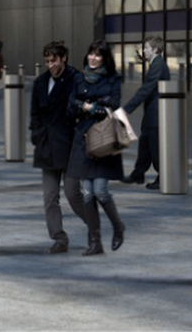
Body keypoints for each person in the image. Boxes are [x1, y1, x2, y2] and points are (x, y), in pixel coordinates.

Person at [68, 41, 126, 255]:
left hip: (103, 140)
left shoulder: (113, 79)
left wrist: (88, 106)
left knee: (100, 190)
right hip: (83, 140)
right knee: (86, 193)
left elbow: (114, 106)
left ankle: (118, 226)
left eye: (97, 55)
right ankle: (95, 242)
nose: (92, 58)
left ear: (104, 58)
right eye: (90, 54)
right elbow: (71, 105)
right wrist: (92, 105)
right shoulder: (78, 78)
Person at [28, 41, 84, 254]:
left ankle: (93, 226)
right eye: (47, 61)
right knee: (50, 197)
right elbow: (35, 112)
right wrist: (36, 134)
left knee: (73, 194)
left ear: (64, 58)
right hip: (47, 147)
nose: (50, 65)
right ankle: (59, 238)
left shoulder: (76, 80)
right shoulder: (41, 82)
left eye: (54, 60)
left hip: (71, 147)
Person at [121, 37, 169, 190]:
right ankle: (138, 173)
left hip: (156, 114)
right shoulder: (155, 64)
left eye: (146, 47)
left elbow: (147, 89)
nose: (143, 50)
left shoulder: (158, 65)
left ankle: (164, 177)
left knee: (155, 147)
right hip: (151, 113)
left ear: (155, 50)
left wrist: (127, 108)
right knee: (145, 145)